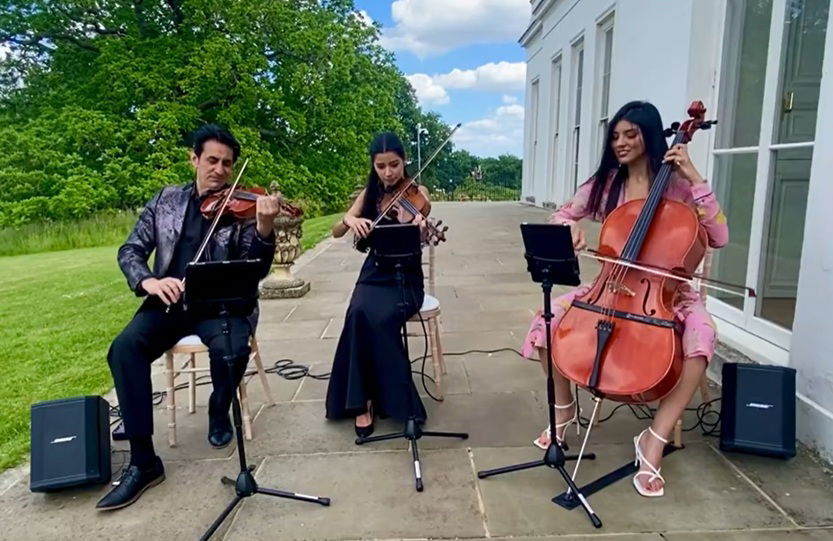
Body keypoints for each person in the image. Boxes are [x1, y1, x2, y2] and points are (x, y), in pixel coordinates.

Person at [520, 101, 728, 498]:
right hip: (611, 283)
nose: (621, 143)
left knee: (702, 337)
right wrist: (571, 230)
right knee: (546, 322)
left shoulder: (679, 187)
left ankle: (654, 437)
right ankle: (563, 412)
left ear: (650, 135)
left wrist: (695, 175)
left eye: (630, 135)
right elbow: (562, 214)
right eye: (615, 135)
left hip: (666, 292)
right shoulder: (605, 184)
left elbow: (719, 236)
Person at [96, 124, 281, 511]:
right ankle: (144, 463)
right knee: (124, 349)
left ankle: (220, 407)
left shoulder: (242, 209)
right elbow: (130, 249)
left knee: (231, 350)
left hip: (221, 303)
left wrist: (264, 227)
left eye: (227, 164)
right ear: (193, 159)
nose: (219, 170)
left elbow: (257, 269)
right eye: (212, 160)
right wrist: (147, 280)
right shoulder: (165, 200)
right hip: (169, 302)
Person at [325, 132, 430, 437]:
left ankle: (389, 399)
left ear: (404, 161)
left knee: (380, 321)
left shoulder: (417, 192)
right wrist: (349, 220)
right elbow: (334, 232)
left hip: (405, 275)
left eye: (394, 165)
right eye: (381, 166)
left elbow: (423, 237)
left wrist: (418, 228)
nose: (388, 173)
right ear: (373, 166)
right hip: (374, 273)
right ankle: (364, 401)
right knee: (358, 313)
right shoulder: (369, 194)